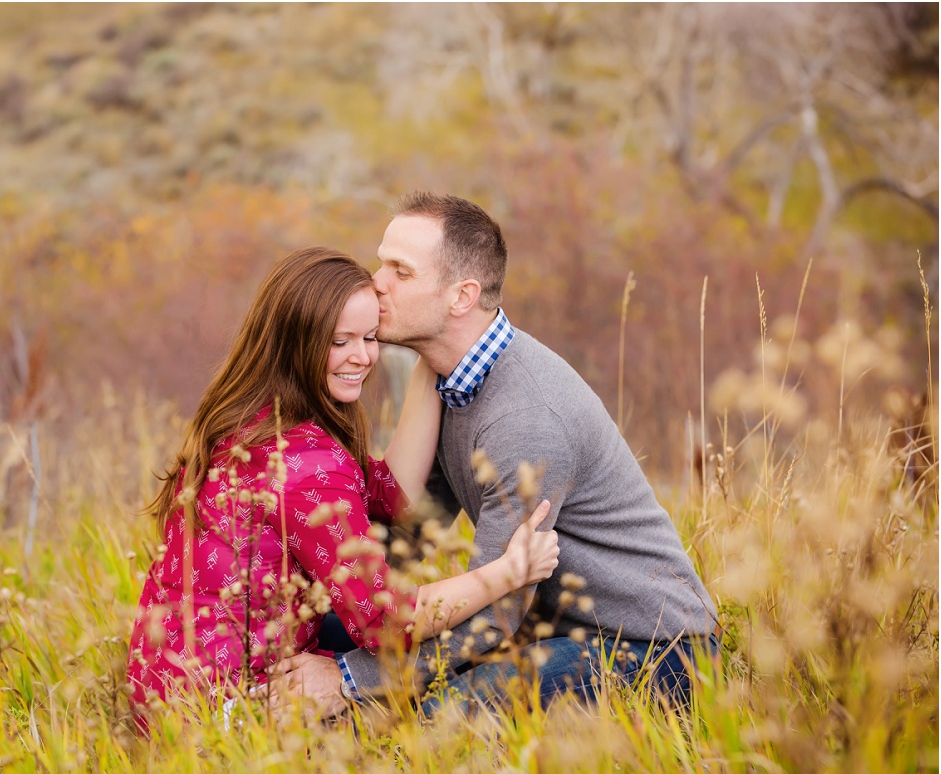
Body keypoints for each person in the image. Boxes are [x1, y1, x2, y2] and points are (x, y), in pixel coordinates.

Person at [270, 193, 719, 717]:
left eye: (401, 271)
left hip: (648, 646)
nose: (376, 283)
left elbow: (498, 614)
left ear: (462, 297)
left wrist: (349, 677)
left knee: (443, 720)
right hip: (540, 626)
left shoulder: (525, 417)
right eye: (381, 262)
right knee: (317, 625)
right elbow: (408, 533)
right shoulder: (452, 383)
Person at [126, 246, 561, 727]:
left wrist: (429, 352)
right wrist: (510, 571)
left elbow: (390, 494)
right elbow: (389, 622)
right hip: (223, 712)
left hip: (167, 686)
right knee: (427, 718)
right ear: (297, 343)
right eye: (340, 342)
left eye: (371, 337)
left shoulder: (253, 421)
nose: (362, 357)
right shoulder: (305, 462)